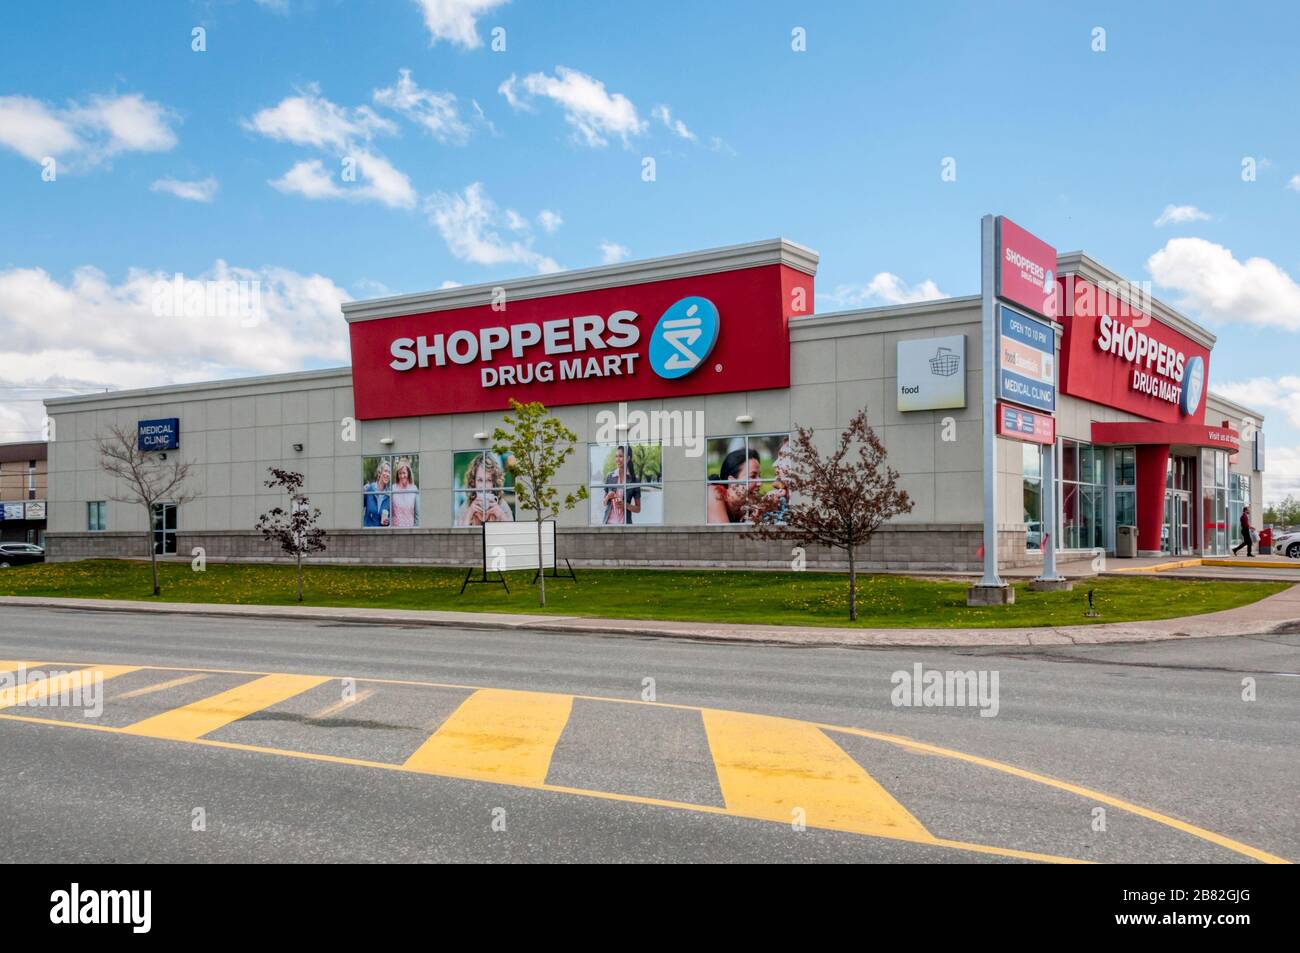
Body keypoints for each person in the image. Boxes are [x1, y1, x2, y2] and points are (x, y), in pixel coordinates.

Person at [454, 452, 514, 526]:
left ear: (494, 483)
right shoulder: (466, 506)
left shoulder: (502, 505)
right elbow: (460, 536)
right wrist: (470, 512)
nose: (484, 486)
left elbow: (511, 532)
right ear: (473, 482)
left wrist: (500, 514)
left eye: (489, 480)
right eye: (480, 480)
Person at [706, 447, 760, 523]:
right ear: (732, 482)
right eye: (753, 476)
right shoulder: (713, 492)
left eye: (759, 476)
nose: (760, 483)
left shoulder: (742, 508)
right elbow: (724, 534)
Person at [601, 445, 642, 524]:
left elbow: (638, 509)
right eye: (616, 456)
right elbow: (604, 503)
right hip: (608, 524)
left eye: (620, 456)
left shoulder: (635, 480)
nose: (617, 459)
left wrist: (624, 504)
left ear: (628, 458)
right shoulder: (610, 477)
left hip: (625, 525)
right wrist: (608, 497)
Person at [389, 457, 421, 528]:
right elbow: (388, 511)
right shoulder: (392, 488)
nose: (402, 476)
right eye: (400, 473)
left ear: (408, 473)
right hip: (395, 531)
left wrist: (415, 531)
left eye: (404, 473)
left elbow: (417, 515)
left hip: (410, 531)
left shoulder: (414, 489)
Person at [362, 459, 391, 527]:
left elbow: (390, 517)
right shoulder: (369, 489)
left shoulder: (389, 494)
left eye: (389, 472)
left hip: (381, 534)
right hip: (367, 532)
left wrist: (388, 522)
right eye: (386, 471)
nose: (387, 474)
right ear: (379, 473)